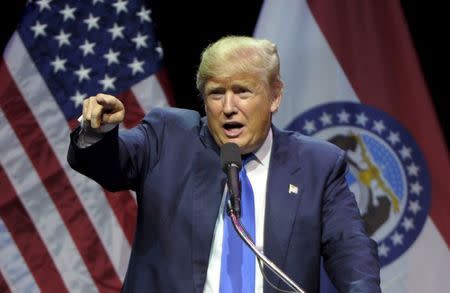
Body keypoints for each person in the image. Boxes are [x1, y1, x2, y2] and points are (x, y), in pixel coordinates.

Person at [68, 36, 381, 292]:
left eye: (242, 91)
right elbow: (110, 164)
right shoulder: (169, 136)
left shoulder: (317, 164)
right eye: (217, 93)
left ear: (274, 96)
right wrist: (98, 132)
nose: (229, 107)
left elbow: (350, 247)